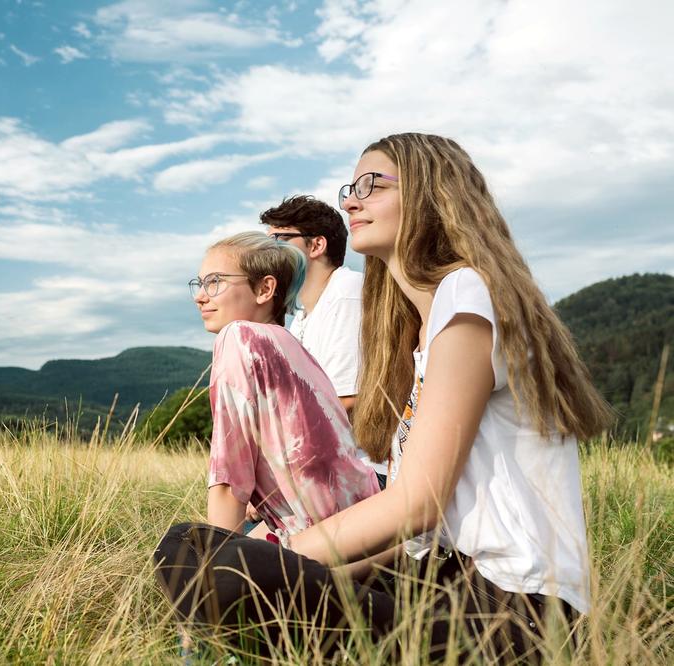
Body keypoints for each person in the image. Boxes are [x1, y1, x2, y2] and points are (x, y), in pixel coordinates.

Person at [154, 133, 612, 661]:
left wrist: (272, 554)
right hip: (434, 583)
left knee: (226, 567)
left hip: (513, 616)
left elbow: (417, 504)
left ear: (431, 193)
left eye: (371, 185)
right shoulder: (418, 337)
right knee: (189, 548)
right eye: (351, 187)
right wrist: (303, 571)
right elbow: (416, 539)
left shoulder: (466, 295)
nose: (351, 200)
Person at [189, 231, 379, 537]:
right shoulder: (295, 348)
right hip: (364, 526)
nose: (200, 295)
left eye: (215, 282)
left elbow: (229, 482)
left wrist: (220, 573)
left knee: (182, 551)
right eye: (199, 284)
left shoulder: (239, 336)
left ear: (265, 288)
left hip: (329, 548)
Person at [260, 195, 388, 485]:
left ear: (316, 245)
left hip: (365, 472)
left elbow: (345, 400)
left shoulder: (345, 294)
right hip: (326, 469)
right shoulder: (304, 316)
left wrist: (277, 475)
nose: (267, 252)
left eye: (279, 239)